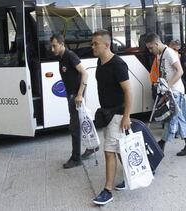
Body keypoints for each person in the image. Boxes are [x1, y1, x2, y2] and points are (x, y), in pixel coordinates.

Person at [91, 30, 132, 205]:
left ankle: (107, 191)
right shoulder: (99, 62)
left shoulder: (118, 64)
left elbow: (128, 91)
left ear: (106, 45)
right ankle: (134, 175)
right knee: (120, 149)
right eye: (92, 43)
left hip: (117, 114)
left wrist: (126, 116)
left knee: (109, 152)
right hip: (107, 114)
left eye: (95, 44)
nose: (92, 46)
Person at [50, 34, 97, 169]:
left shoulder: (70, 55)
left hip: (76, 96)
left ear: (61, 44)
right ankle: (93, 145)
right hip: (71, 94)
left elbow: (85, 73)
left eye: (54, 46)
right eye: (51, 46)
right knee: (82, 122)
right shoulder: (61, 58)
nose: (52, 49)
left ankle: (76, 158)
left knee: (75, 127)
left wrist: (79, 94)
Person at [145, 32, 186, 156]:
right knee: (178, 119)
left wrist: (168, 85)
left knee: (170, 119)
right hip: (171, 92)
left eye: (151, 48)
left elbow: (180, 71)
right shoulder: (160, 54)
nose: (150, 51)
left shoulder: (169, 53)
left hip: (176, 92)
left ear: (156, 44)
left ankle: (161, 145)